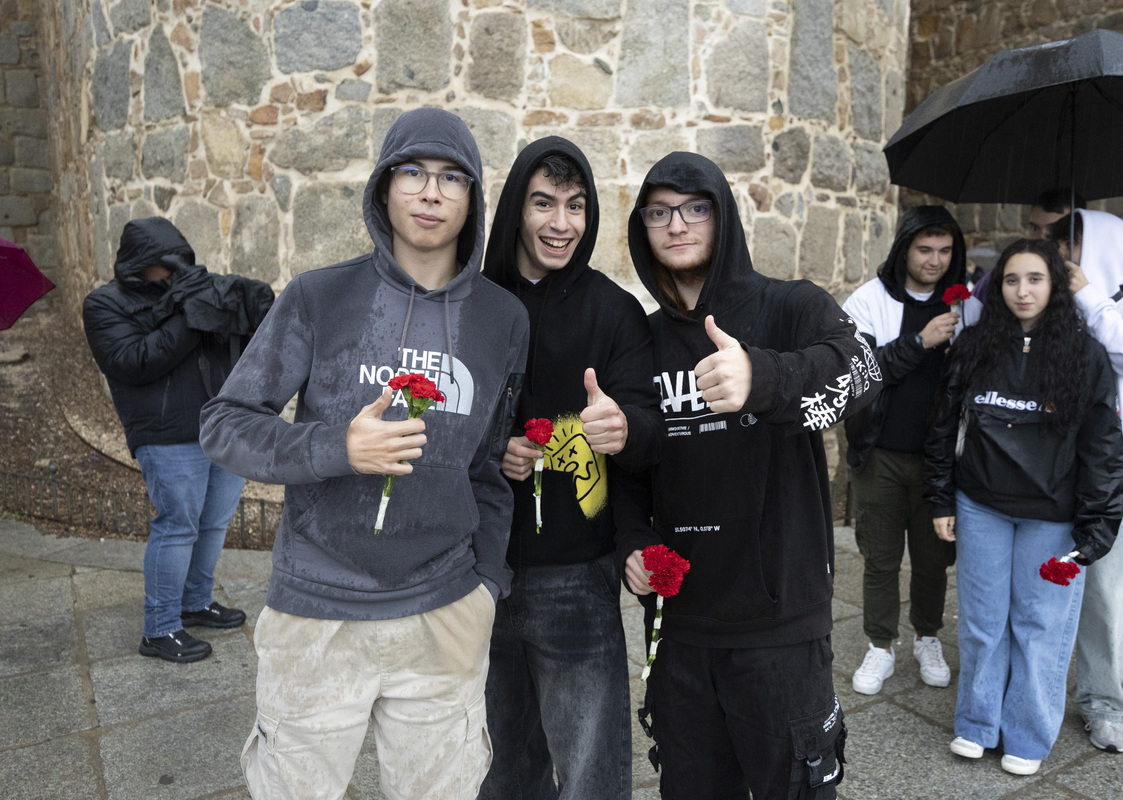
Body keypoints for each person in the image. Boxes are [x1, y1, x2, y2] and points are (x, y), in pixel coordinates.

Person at [199, 109, 529, 799]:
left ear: (473, 199)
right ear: (384, 188)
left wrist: (487, 586)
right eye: (412, 172)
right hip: (318, 611)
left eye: (450, 177)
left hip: (445, 614)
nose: (430, 192)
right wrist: (336, 445)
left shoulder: (503, 319)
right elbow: (224, 424)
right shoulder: (320, 297)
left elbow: (492, 464)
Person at [616, 152, 880, 799]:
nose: (676, 224)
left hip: (779, 628)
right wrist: (629, 544)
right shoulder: (639, 341)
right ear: (642, 227)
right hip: (679, 631)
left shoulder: (788, 308)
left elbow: (865, 371)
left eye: (694, 208)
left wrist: (762, 378)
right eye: (659, 212)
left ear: (723, 215)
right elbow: (628, 469)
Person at [476, 137, 660, 800]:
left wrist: (623, 426)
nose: (562, 223)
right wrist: (492, 450)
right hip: (477, 569)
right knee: (498, 765)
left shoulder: (613, 312)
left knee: (590, 770)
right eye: (545, 203)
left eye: (577, 206)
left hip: (576, 575)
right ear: (515, 208)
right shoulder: (474, 300)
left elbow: (646, 426)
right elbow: (444, 418)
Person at [927, 238, 1123, 776]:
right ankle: (977, 723)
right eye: (1011, 279)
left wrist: (1097, 524)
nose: (1022, 290)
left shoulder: (1086, 354)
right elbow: (944, 427)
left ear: (1054, 285)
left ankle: (1028, 734)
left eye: (1035, 278)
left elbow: (1104, 444)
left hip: (1053, 516)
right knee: (982, 623)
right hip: (981, 505)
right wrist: (942, 496)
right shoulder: (973, 346)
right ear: (999, 286)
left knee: (1039, 626)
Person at [82, 217, 272, 663]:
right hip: (165, 435)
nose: (173, 271)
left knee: (214, 522)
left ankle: (195, 602)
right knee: (177, 526)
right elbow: (135, 362)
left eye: (180, 262)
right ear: (139, 264)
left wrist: (236, 313)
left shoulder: (192, 292)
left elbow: (237, 348)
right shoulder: (104, 304)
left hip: (218, 425)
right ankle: (161, 628)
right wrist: (193, 314)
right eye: (165, 264)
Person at [1050, 209, 1123, 755]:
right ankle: (1038, 690)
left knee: (1103, 594)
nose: (1062, 256)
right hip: (1052, 474)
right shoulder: (1058, 306)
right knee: (1045, 585)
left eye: (1072, 245)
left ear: (1104, 249)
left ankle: (1102, 701)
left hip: (1119, 482)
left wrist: (1088, 295)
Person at [841, 206, 968, 695]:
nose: (934, 260)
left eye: (944, 251)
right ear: (904, 249)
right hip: (881, 453)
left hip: (941, 458)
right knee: (881, 556)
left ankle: (928, 636)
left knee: (935, 558)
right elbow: (861, 374)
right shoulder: (868, 301)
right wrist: (920, 340)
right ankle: (880, 644)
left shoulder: (966, 303)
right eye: (924, 249)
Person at [973, 188, 1123, 305]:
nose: (1041, 239)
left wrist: (1118, 239)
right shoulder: (1005, 274)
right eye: (1034, 228)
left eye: (1054, 230)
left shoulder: (1100, 270)